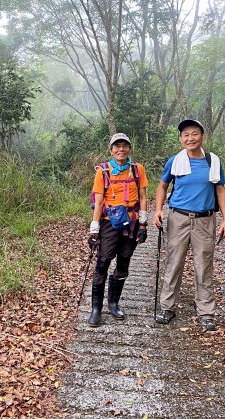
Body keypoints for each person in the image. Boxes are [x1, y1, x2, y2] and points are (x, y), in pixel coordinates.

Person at [152, 119, 225, 332]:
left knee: (203, 265)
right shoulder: (175, 161)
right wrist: (158, 210)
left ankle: (206, 312)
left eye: (194, 134)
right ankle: (167, 307)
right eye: (185, 135)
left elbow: (220, 190)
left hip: (205, 220)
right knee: (174, 262)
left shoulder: (212, 161)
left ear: (202, 136)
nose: (190, 138)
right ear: (181, 138)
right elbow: (162, 186)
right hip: (178, 218)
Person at [87, 133, 148, 327]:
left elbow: (143, 196)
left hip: (131, 222)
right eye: (117, 146)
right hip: (108, 223)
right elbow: (98, 202)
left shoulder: (137, 170)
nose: (121, 149)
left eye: (124, 146)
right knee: (103, 262)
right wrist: (94, 229)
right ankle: (96, 308)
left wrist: (143, 223)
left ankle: (113, 303)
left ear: (129, 148)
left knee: (123, 263)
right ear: (111, 150)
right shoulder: (103, 172)